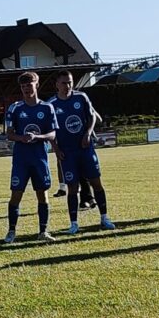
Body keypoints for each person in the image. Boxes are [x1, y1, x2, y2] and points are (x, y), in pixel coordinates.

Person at [48, 71, 116, 234]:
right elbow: (49, 130)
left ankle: (104, 218)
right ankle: (73, 224)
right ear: (57, 84)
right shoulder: (51, 105)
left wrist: (87, 133)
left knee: (96, 183)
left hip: (86, 149)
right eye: (64, 83)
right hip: (67, 153)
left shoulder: (81, 97)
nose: (68, 86)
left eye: (70, 82)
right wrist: (56, 149)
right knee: (72, 188)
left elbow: (92, 116)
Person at [3, 71, 57, 243]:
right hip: (21, 159)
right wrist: (23, 138)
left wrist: (37, 137)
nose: (27, 88)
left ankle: (43, 231)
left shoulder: (47, 107)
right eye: (23, 86)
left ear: (37, 84)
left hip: (39, 158)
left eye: (29, 84)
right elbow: (9, 134)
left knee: (42, 194)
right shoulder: (15, 108)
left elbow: (53, 134)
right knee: (16, 194)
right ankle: (11, 231)